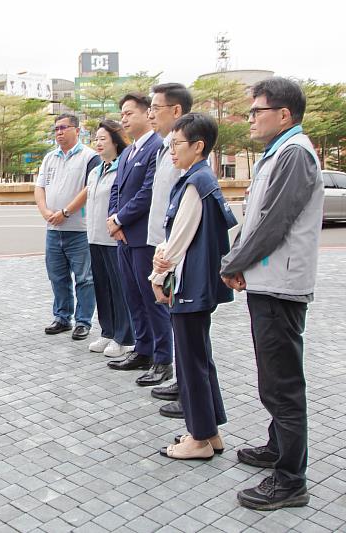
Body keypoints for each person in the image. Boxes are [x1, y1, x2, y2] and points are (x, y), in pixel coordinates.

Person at [220, 77, 324, 511]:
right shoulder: (278, 153)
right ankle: (277, 448)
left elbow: (273, 222)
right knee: (273, 377)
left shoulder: (295, 154)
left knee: (282, 384)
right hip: (269, 281)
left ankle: (290, 479)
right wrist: (241, 260)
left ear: (283, 114)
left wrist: (234, 262)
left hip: (282, 286)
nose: (250, 119)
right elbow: (257, 216)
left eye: (256, 111)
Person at [150, 113, 237, 460]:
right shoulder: (205, 179)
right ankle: (209, 431)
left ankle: (198, 438)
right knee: (199, 357)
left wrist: (158, 277)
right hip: (200, 284)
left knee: (189, 361)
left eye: (176, 144)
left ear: (198, 146)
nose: (171, 150)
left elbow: (179, 239)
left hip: (188, 285)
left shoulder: (194, 185)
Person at [106, 93, 173, 387]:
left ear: (148, 115)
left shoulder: (156, 149)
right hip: (123, 237)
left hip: (144, 237)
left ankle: (162, 359)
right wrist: (113, 219)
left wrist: (120, 219)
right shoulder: (128, 152)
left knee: (152, 300)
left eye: (129, 113)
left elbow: (148, 193)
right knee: (133, 296)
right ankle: (142, 350)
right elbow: (116, 190)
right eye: (122, 113)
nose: (124, 118)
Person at [145, 83, 194, 418]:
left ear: (176, 111)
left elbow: (184, 210)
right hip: (162, 245)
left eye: (156, 107)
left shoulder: (184, 151)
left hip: (175, 252)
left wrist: (167, 258)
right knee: (175, 319)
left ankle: (185, 385)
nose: (151, 113)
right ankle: (180, 379)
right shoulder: (165, 148)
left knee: (186, 326)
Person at [34, 114, 100, 341]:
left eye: (64, 127)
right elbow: (39, 187)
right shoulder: (49, 158)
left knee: (84, 278)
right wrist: (45, 212)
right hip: (53, 229)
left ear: (77, 130)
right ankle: (62, 317)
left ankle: (83, 321)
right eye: (56, 129)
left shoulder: (90, 157)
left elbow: (89, 188)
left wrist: (66, 212)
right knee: (57, 276)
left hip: (79, 229)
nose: (59, 132)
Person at [85, 120, 135, 358]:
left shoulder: (122, 168)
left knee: (119, 289)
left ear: (116, 140)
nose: (98, 142)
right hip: (94, 237)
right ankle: (107, 331)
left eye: (103, 138)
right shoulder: (96, 170)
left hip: (113, 238)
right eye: (96, 138)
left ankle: (124, 336)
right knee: (101, 287)